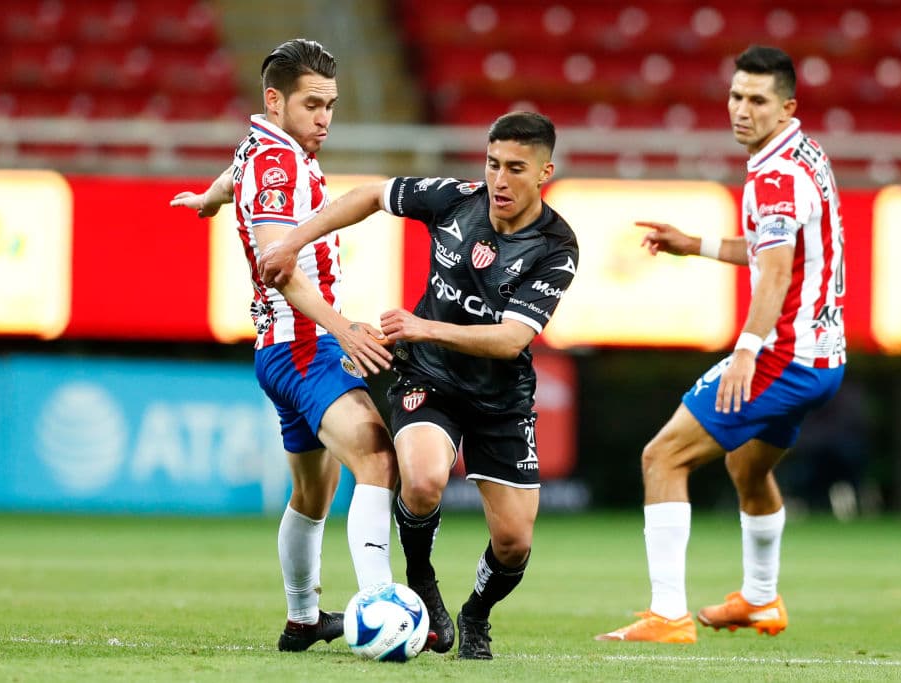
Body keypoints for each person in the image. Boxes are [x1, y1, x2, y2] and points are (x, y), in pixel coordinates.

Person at [257, 111, 579, 660]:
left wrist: (422, 325)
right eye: (493, 163)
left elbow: (511, 339)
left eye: (516, 169)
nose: (500, 180)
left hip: (501, 399)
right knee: (423, 479)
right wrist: (291, 242)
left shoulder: (556, 245)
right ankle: (420, 579)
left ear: (544, 172)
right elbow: (368, 196)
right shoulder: (455, 199)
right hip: (428, 375)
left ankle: (475, 614)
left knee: (514, 542)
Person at [596, 45, 846, 644]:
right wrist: (696, 244)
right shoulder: (801, 153)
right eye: (736, 96)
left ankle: (667, 615)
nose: (741, 109)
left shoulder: (775, 173)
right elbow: (767, 248)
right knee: (746, 466)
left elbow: (779, 271)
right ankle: (760, 600)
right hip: (823, 357)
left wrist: (745, 351)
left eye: (757, 100)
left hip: (783, 356)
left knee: (662, 458)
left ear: (786, 107)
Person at [169, 39, 397, 652]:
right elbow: (278, 263)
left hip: (277, 348)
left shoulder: (264, 146)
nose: (325, 117)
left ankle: (303, 619)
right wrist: (342, 326)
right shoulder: (281, 164)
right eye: (312, 104)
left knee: (313, 492)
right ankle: (384, 609)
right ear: (276, 101)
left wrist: (209, 201)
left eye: (332, 105)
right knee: (378, 458)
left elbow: (232, 171)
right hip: (304, 343)